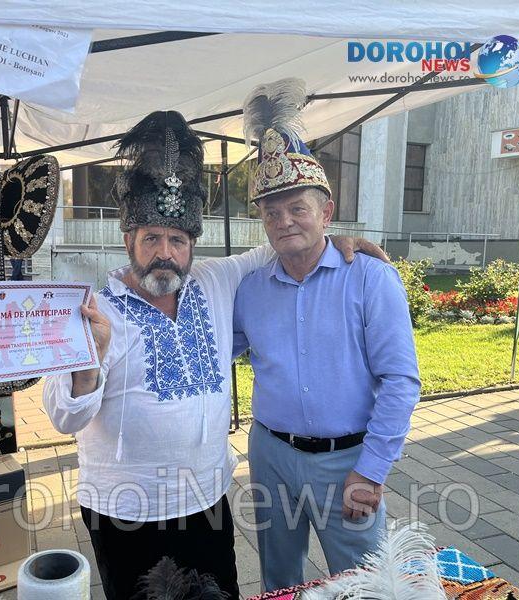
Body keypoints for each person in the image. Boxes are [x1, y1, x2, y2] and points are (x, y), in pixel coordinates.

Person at [43, 111, 385, 600]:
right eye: (151, 238)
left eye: (178, 240)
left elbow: (284, 245)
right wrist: (87, 365)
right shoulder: (94, 311)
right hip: (126, 509)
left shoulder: (214, 280)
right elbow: (63, 418)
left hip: (207, 501)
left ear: (192, 245)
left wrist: (336, 240)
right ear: (128, 241)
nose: (165, 253)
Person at [233, 79, 420, 591]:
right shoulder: (250, 289)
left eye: (298, 208)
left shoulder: (370, 278)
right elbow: (213, 353)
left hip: (348, 462)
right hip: (270, 455)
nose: (284, 221)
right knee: (278, 578)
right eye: (272, 212)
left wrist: (372, 470)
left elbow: (401, 380)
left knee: (364, 583)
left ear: (326, 213)